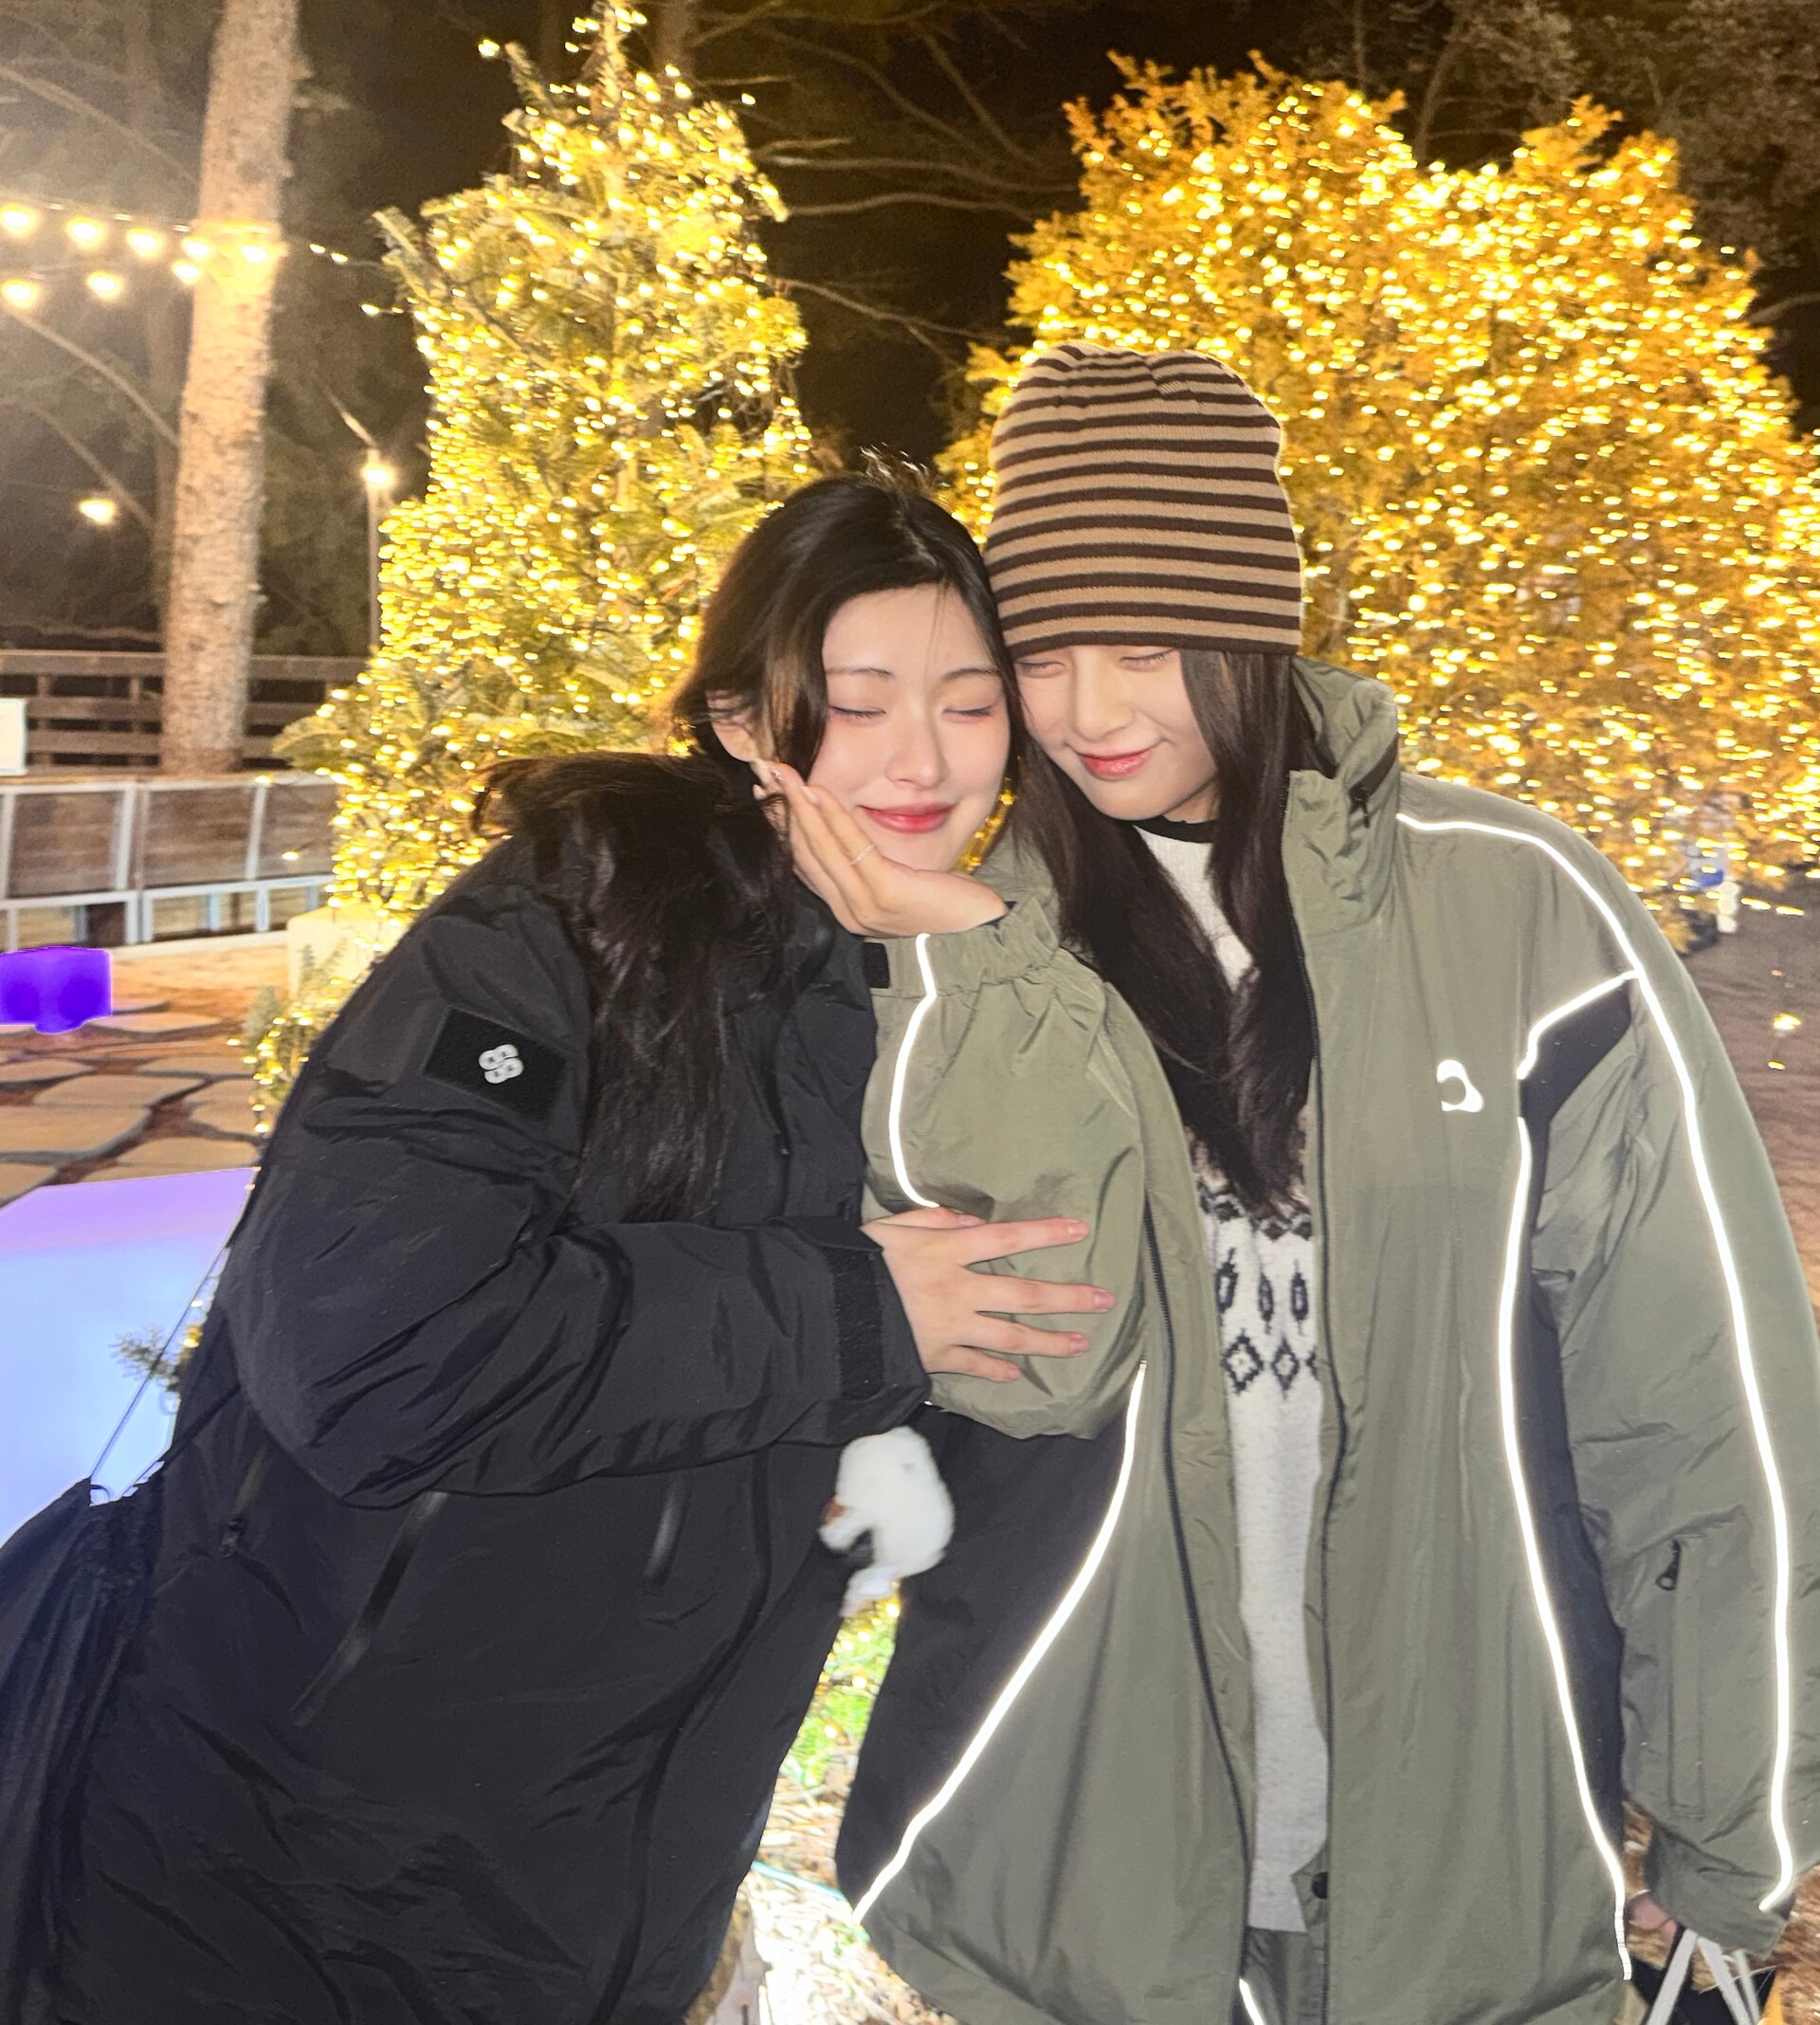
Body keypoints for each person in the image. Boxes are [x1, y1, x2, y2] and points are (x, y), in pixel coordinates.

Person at [777, 346, 1820, 2025]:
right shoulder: (962, 941)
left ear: (1256, 627)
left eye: (1145, 647)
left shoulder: (1518, 911)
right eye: (1039, 654)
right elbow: (1020, 1372)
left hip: (1468, 1835)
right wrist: (969, 962)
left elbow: (1704, 1408)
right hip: (1074, 1857)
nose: (1088, 713)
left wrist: (1730, 1837)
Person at [49, 475, 1109, 2025]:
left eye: (970, 704)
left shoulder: (931, 975)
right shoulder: (571, 918)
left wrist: (982, 963)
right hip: (302, 1861)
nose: (926, 758)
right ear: (742, 717)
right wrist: (853, 1313)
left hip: (626, 1874)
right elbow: (370, 1345)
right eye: (859, 699)